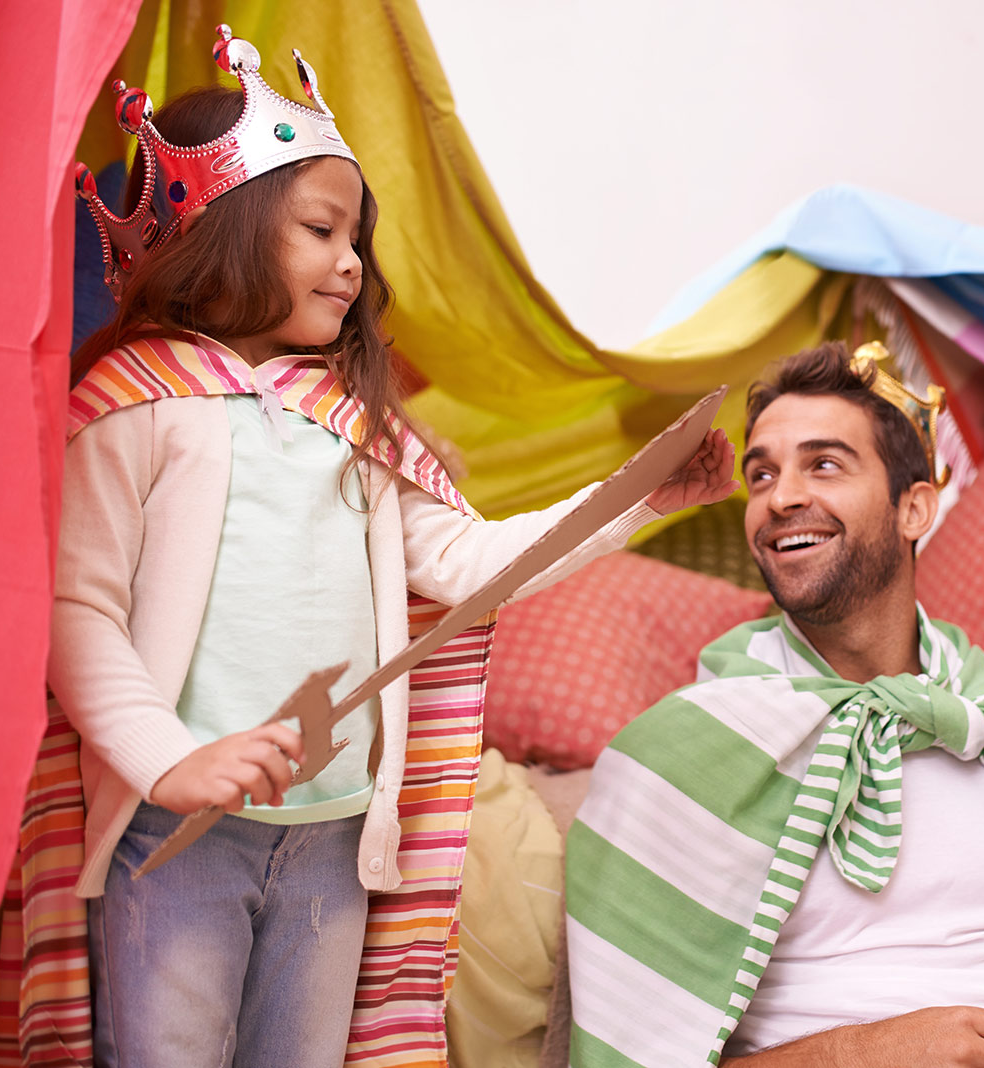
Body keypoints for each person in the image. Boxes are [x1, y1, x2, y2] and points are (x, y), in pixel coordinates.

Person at [49, 28, 735, 1068]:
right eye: (322, 229)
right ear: (220, 235)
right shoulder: (130, 407)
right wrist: (172, 762)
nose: (352, 260)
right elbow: (78, 612)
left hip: (332, 840)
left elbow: (468, 566)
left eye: (355, 237)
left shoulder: (356, 424)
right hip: (177, 841)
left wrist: (632, 501)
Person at [562, 343, 984, 1068]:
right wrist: (862, 1053)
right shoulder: (676, 761)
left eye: (825, 464)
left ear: (915, 507)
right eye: (763, 474)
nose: (781, 497)